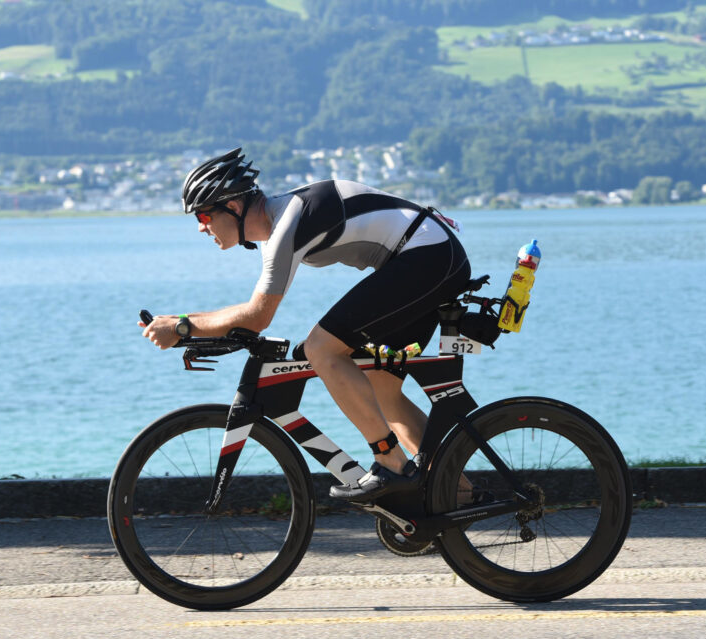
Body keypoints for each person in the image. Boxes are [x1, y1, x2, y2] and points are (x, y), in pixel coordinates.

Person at [140, 148, 471, 502]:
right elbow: (253, 310)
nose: (201, 227)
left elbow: (257, 317)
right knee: (380, 387)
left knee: (321, 349)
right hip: (427, 258)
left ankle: (389, 462)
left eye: (203, 215)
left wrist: (183, 326)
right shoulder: (279, 227)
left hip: (429, 257)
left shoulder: (288, 224)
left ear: (233, 206)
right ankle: (458, 494)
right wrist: (184, 324)